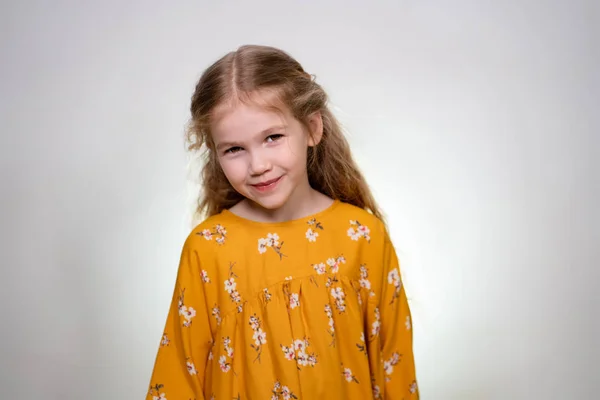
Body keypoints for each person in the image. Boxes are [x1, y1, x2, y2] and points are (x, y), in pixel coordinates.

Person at [146, 44, 419, 400]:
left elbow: (393, 367)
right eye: (234, 149)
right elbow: (180, 374)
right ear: (215, 154)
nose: (257, 164)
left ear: (312, 128)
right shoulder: (209, 248)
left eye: (272, 137)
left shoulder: (361, 236)